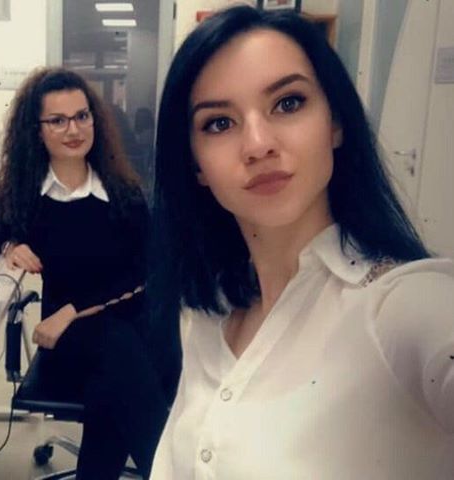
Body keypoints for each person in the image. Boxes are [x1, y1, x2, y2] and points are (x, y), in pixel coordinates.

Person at [148, 6, 454, 479]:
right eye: (219, 123)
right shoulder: (211, 312)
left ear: (335, 123)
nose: (258, 144)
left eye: (288, 103)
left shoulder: (401, 307)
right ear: (196, 166)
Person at [0, 67, 169, 479]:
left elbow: (141, 273)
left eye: (82, 116)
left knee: (113, 378)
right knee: (120, 365)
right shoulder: (28, 194)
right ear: (36, 131)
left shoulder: (122, 193)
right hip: (71, 343)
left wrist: (71, 311)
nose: (73, 129)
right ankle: (169, 470)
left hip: (115, 324)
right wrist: (10, 244)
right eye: (58, 120)